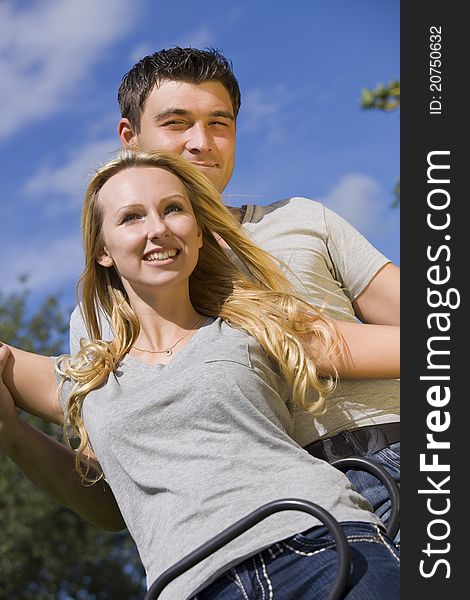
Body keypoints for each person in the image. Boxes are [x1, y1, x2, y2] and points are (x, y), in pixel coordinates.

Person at [1, 47, 399, 535]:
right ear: (130, 138)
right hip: (271, 527)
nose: (201, 142)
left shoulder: (300, 219)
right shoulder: (106, 304)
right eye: (176, 122)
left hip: (396, 456)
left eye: (219, 123)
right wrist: (13, 434)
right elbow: (118, 499)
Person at [0, 149, 400, 599]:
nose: (158, 228)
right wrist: (10, 432)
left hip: (322, 548)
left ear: (199, 232)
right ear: (102, 250)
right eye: (132, 217)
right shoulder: (89, 378)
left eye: (173, 209)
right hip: (193, 585)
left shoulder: (256, 323)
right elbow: (104, 505)